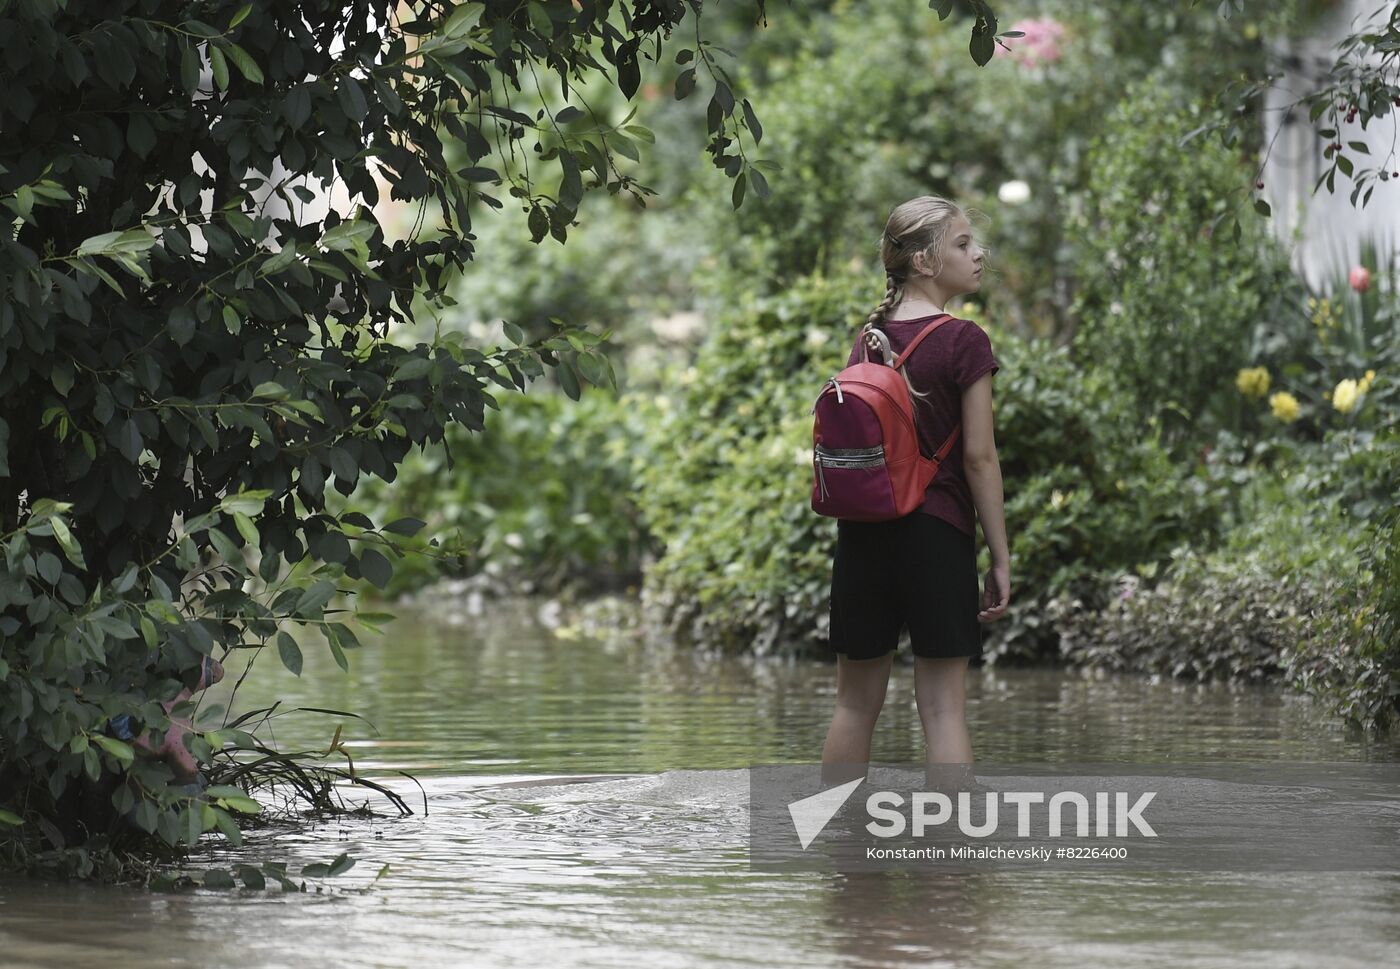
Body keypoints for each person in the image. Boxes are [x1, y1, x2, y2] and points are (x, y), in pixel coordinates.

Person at [820, 195, 1010, 789]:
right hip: (938, 534)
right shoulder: (964, 341)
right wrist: (1000, 556)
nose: (978, 254)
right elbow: (978, 457)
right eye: (961, 244)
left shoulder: (869, 338)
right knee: (944, 711)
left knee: (854, 707)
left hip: (865, 537)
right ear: (925, 261)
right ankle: (948, 868)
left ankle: (840, 861)